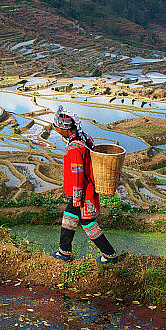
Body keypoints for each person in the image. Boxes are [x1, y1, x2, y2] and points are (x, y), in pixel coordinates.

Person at [51, 106, 118, 263]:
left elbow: (78, 173)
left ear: (65, 128)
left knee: (88, 222)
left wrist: (77, 196)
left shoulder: (75, 148)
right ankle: (64, 251)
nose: (56, 130)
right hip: (88, 188)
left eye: (57, 127)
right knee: (69, 217)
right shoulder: (85, 138)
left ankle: (110, 255)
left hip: (83, 191)